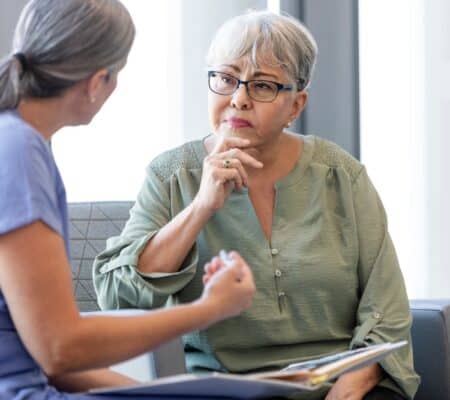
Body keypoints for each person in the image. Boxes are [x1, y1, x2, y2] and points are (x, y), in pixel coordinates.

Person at [93, 9, 420, 400]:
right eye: (226, 79)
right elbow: (117, 298)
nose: (239, 99)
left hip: (344, 387)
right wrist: (201, 207)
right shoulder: (171, 175)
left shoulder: (341, 176)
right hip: (228, 391)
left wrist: (349, 390)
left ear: (296, 105)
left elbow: (387, 308)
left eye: (262, 86)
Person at [0, 1, 256, 399]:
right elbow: (60, 349)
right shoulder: (18, 152)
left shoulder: (20, 143)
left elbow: (45, 357)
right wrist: (209, 309)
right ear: (98, 80)